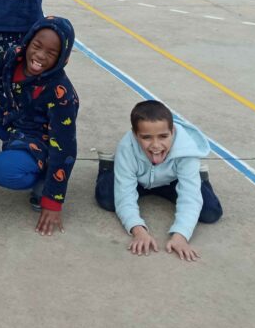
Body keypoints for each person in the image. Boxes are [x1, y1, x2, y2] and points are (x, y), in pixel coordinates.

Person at [0, 15, 79, 236]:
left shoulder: (61, 93)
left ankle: (42, 179)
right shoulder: (14, 55)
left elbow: (65, 148)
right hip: (10, 120)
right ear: (28, 41)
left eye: (51, 53)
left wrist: (53, 200)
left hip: (37, 141)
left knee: (2, 170)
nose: (40, 55)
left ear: (62, 58)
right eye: (37, 45)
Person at [95, 100, 223, 262]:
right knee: (106, 198)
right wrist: (138, 230)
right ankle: (107, 167)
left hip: (172, 180)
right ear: (135, 135)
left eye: (163, 136)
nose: (156, 145)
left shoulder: (186, 150)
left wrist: (181, 235)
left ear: (172, 131)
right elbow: (124, 195)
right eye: (146, 137)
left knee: (211, 212)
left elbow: (190, 197)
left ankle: (200, 178)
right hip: (139, 179)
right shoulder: (127, 147)